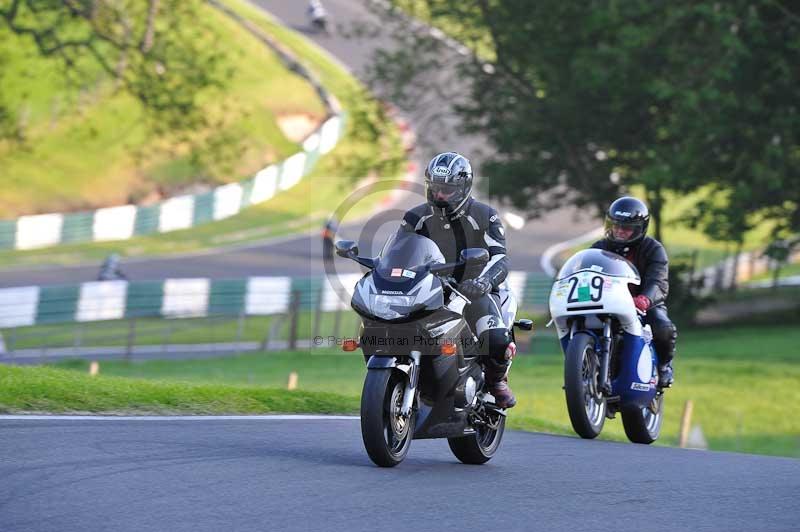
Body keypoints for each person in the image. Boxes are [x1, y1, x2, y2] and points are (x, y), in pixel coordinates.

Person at [397, 152, 517, 408]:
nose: (440, 195)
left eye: (447, 190)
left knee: (495, 339)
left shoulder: (486, 215)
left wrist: (483, 282)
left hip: (473, 290)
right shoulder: (415, 217)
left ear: (463, 188)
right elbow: (396, 253)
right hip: (428, 287)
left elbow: (500, 258)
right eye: (435, 188)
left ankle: (496, 382)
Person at [591, 196, 676, 387]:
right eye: (616, 225)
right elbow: (583, 273)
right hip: (605, 303)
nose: (620, 231)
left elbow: (659, 282)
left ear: (639, 228)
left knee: (663, 328)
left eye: (626, 228)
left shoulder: (653, 249)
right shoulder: (598, 248)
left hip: (643, 304)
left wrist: (644, 299)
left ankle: (663, 366)